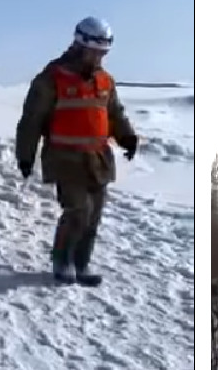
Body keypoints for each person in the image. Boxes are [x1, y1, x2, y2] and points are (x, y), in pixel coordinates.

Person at [14, 16, 139, 285]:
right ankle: (62, 261)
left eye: (103, 53)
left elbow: (114, 113)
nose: (99, 58)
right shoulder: (52, 77)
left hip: (97, 158)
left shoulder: (105, 81)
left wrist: (127, 137)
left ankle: (81, 264)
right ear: (80, 45)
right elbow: (31, 119)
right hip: (65, 157)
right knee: (78, 211)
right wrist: (25, 154)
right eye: (95, 52)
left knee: (93, 215)